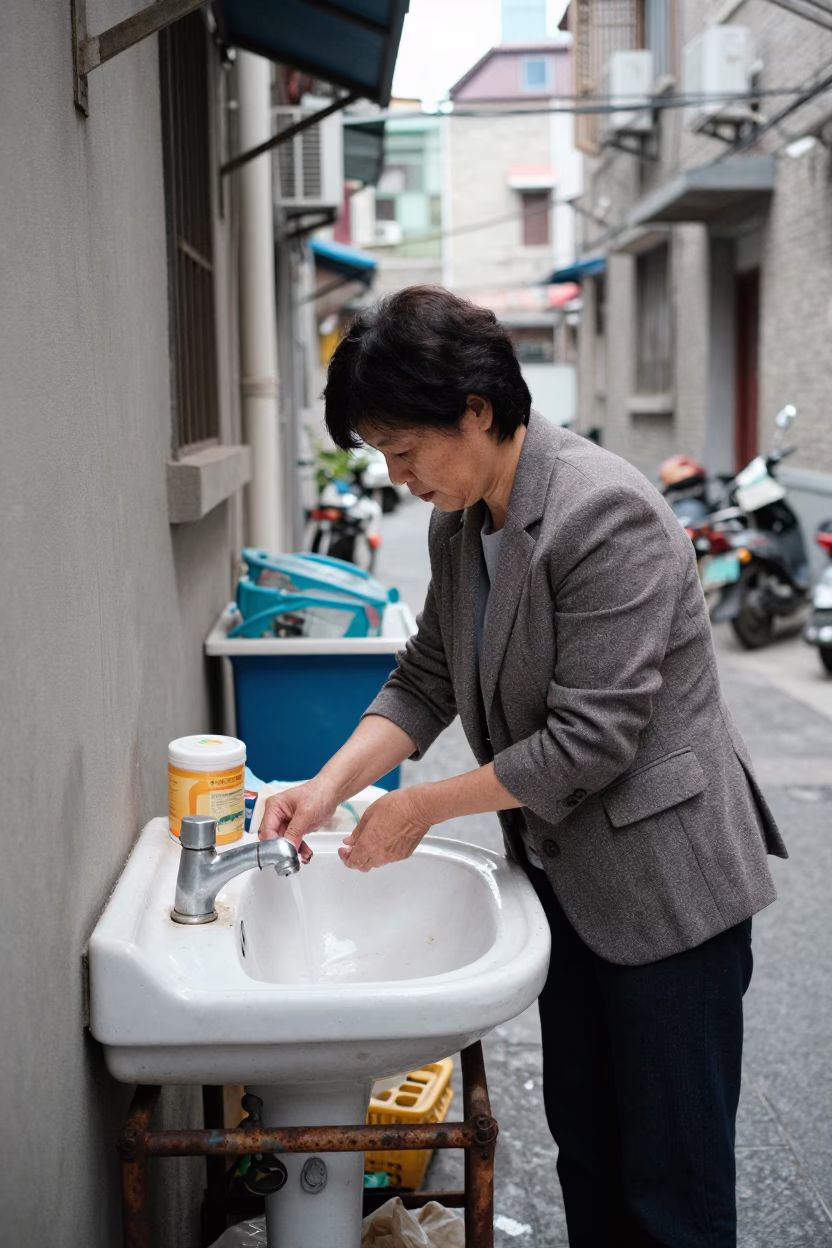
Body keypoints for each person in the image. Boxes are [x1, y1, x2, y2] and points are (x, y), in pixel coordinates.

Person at [259, 286, 787, 1247]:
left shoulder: (603, 514)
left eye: (404, 450)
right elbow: (425, 679)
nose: (399, 475)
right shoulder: (461, 522)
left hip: (667, 888)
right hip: (569, 880)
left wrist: (421, 809)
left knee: (672, 1185)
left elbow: (593, 739)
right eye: (382, 455)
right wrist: (327, 787)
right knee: (587, 1149)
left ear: (476, 408)